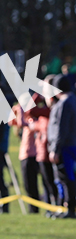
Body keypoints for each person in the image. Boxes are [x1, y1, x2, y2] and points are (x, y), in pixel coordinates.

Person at [46, 74, 76, 218]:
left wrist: (55, 149)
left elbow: (61, 129)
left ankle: (69, 208)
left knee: (65, 178)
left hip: (65, 147)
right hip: (70, 145)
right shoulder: (72, 100)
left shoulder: (64, 103)